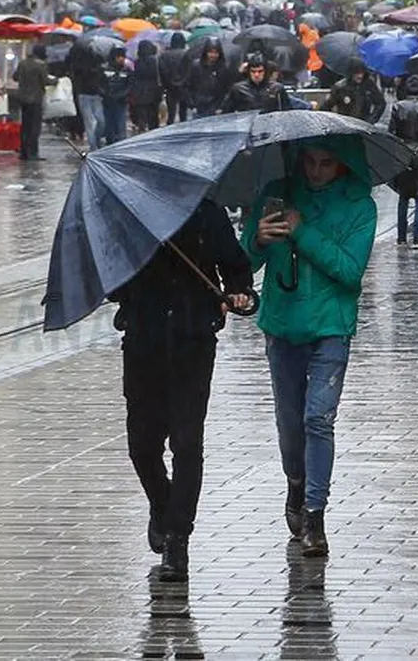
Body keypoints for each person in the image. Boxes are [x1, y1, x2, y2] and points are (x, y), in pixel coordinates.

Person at [242, 138, 377, 558]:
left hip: (330, 325)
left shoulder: (360, 207)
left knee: (318, 417)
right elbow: (243, 262)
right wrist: (258, 240)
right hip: (282, 323)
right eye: (310, 162)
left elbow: (350, 272)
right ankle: (295, 483)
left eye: (327, 164)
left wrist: (303, 231)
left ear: (343, 165)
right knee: (290, 420)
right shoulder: (277, 195)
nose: (316, 172)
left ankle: (315, 513)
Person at [110, 202, 253, 582]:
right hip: (144, 341)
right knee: (142, 446)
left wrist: (237, 293)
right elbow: (111, 284)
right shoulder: (133, 216)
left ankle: (178, 539)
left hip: (193, 340)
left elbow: (236, 267)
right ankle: (163, 504)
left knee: (187, 443)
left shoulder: (208, 213)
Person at [387, 76, 418, 248]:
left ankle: (401, 237)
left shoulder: (398, 107)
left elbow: (391, 133)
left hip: (403, 153)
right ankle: (417, 237)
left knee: (403, 196)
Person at [12, 44, 52, 158]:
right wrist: (56, 81)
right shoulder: (41, 65)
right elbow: (45, 81)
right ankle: (33, 153)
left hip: (22, 98)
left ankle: (24, 152)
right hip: (35, 99)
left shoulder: (23, 63)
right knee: (35, 127)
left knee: (25, 125)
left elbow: (15, 77)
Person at [220, 54, 290, 113]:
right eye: (253, 71)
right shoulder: (238, 89)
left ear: (265, 71)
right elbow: (226, 114)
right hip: (246, 126)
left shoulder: (277, 88)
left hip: (270, 126)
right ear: (249, 72)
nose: (256, 75)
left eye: (260, 71)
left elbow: (287, 113)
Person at [69, 41, 106, 150]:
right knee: (94, 121)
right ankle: (94, 145)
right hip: (88, 94)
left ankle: (95, 143)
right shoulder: (80, 64)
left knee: (95, 121)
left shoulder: (95, 61)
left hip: (90, 93)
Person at [326, 57, 385, 124]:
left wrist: (371, 120)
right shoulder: (340, 87)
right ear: (351, 73)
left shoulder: (369, 85)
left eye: (362, 73)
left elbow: (380, 103)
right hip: (346, 125)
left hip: (364, 125)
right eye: (357, 73)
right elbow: (327, 106)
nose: (360, 76)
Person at [186, 38, 231, 119]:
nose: (213, 55)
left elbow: (227, 89)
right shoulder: (196, 66)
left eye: (216, 52)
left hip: (216, 108)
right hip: (199, 107)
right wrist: (192, 105)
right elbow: (188, 86)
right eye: (211, 52)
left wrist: (221, 107)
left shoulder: (224, 68)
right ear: (206, 52)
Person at [101, 44, 132, 145]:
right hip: (107, 101)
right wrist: (106, 94)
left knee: (120, 125)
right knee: (108, 125)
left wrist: (123, 94)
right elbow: (100, 84)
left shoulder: (127, 70)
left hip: (121, 101)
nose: (122, 59)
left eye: (123, 56)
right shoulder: (104, 69)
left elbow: (130, 85)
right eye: (119, 57)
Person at [130, 39, 163, 132]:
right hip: (153, 91)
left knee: (142, 115)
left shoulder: (137, 62)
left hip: (139, 92)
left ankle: (142, 129)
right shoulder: (155, 61)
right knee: (153, 116)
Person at [159, 32, 191, 124]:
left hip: (170, 88)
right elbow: (190, 70)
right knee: (183, 113)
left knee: (171, 113)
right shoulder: (187, 54)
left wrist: (168, 83)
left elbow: (162, 72)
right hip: (184, 87)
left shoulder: (164, 56)